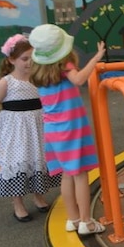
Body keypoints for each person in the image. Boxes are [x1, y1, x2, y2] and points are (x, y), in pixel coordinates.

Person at [28, 24, 107, 235]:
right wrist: (96, 58)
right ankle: (86, 222)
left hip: (53, 130)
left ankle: (72, 219)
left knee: (67, 175)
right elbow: (79, 80)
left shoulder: (38, 74)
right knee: (80, 175)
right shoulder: (66, 67)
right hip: (71, 127)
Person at [0, 34, 60, 223]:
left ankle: (38, 195)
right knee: (18, 163)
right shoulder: (7, 82)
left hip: (37, 128)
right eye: (24, 59)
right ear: (11, 60)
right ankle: (17, 203)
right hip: (13, 131)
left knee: (36, 160)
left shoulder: (37, 79)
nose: (29, 63)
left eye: (33, 58)